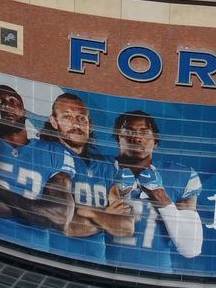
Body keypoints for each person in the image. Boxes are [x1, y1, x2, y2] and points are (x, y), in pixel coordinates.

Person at [106, 110, 204, 271]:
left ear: (155, 141)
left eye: (144, 132)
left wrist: (161, 196)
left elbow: (191, 249)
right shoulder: (99, 168)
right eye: (129, 131)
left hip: (156, 277)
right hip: (104, 273)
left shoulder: (182, 176)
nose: (137, 138)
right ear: (118, 138)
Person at [0, 84, 74, 249]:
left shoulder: (54, 152)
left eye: (12, 101)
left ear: (24, 110)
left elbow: (59, 216)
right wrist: (35, 210)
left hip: (35, 252)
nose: (7, 106)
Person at [41, 92, 125, 261]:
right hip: (56, 263)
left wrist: (93, 217)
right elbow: (68, 226)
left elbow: (124, 226)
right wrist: (106, 216)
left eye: (81, 118)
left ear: (90, 124)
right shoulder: (47, 157)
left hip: (96, 264)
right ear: (54, 121)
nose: (75, 124)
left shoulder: (107, 166)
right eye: (67, 117)